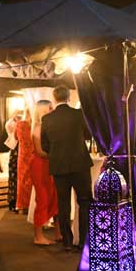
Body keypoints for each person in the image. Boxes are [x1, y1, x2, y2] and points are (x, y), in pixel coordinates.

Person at [41, 85, 93, 250]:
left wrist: (57, 152)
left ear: (55, 98)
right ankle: (84, 240)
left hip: (59, 166)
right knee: (84, 202)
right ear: (69, 97)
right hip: (80, 164)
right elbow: (88, 135)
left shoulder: (47, 119)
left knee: (63, 204)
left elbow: (45, 145)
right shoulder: (79, 115)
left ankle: (67, 242)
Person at [29, 100, 62, 246]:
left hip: (50, 164)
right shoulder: (37, 127)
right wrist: (57, 154)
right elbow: (40, 151)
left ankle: (58, 232)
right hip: (40, 165)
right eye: (50, 108)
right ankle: (38, 236)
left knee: (55, 197)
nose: (52, 110)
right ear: (42, 110)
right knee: (42, 198)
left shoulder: (47, 126)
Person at [14, 109, 34, 214]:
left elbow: (15, 137)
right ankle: (32, 205)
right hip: (34, 154)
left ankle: (22, 206)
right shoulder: (35, 124)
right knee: (33, 180)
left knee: (22, 180)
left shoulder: (19, 124)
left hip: (23, 155)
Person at [4, 109, 21, 211]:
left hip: (19, 153)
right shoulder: (10, 124)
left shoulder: (20, 125)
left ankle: (16, 201)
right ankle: (12, 201)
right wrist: (14, 116)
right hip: (15, 152)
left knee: (17, 178)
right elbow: (10, 127)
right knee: (13, 178)